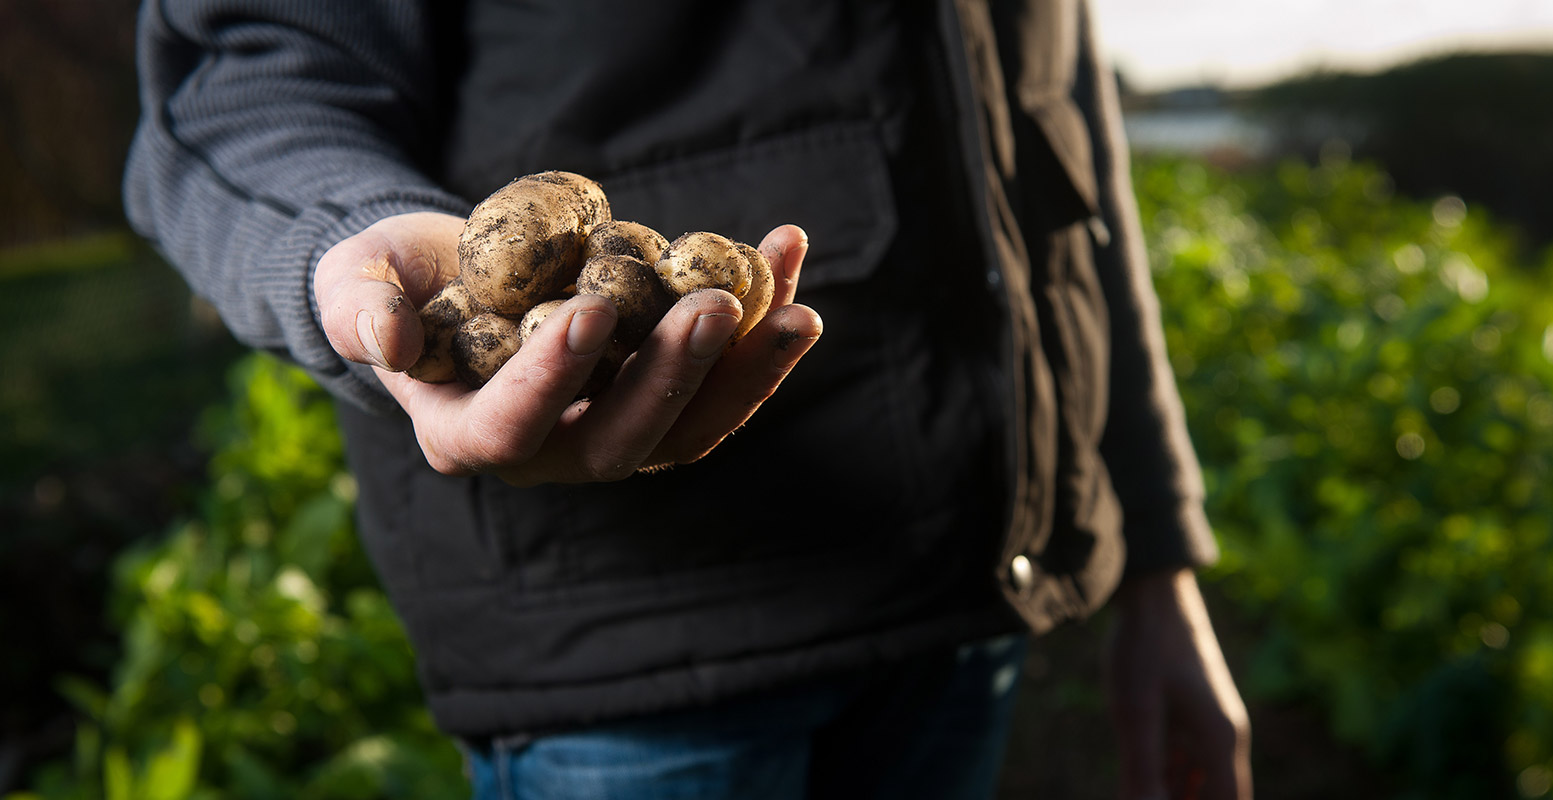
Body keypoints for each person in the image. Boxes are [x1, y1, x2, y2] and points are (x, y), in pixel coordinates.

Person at [125, 0, 1251, 797]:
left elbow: (1058, 143)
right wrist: (343, 249)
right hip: (634, 650)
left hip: (962, 600)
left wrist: (1153, 549)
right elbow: (243, 86)